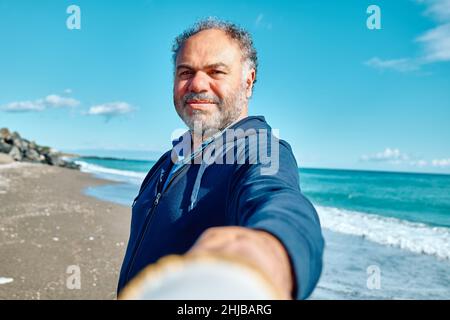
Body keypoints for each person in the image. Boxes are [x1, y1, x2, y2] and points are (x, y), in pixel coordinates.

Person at [117, 18, 324, 300]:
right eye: (185, 72)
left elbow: (280, 200)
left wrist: (267, 252)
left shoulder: (262, 150)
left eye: (216, 71)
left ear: (248, 81)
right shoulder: (170, 159)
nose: (197, 84)